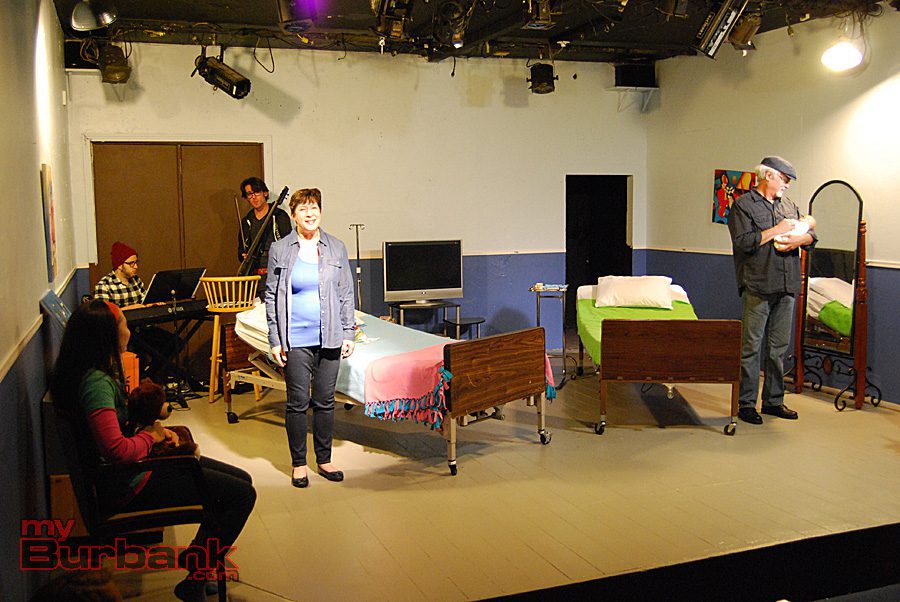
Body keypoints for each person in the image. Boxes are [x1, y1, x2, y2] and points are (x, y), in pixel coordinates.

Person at [50, 299, 257, 602]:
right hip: (130, 484)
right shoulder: (96, 385)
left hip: (130, 474)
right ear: (107, 335)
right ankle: (195, 578)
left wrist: (156, 435)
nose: (128, 330)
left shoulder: (88, 374)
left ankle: (197, 560)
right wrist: (151, 437)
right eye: (123, 324)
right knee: (242, 495)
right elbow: (117, 450)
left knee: (242, 480)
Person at [265, 188, 355, 488]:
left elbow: (345, 293)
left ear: (321, 211)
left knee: (326, 402)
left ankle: (324, 460)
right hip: (295, 339)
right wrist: (275, 339)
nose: (309, 213)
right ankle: (299, 464)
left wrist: (348, 331)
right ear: (293, 215)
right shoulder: (280, 249)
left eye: (314, 207)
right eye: (302, 209)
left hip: (329, 337)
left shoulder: (336, 247)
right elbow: (271, 295)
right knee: (298, 402)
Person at [728, 156, 816, 425]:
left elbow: (812, 237)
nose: (787, 185)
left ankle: (773, 401)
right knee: (751, 347)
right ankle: (746, 404)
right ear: (768, 176)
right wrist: (777, 229)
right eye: (784, 179)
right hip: (758, 284)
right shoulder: (743, 206)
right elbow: (744, 243)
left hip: (787, 285)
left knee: (778, 348)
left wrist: (800, 239)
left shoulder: (789, 205)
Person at [238, 177, 292, 298]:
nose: (254, 197)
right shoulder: (247, 221)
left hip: (275, 275)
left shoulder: (279, 216)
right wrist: (244, 255)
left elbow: (289, 245)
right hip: (253, 279)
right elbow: (240, 251)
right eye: (250, 194)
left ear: (265, 193)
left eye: (257, 192)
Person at [94, 241, 145, 307]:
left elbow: (144, 301)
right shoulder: (104, 286)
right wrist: (132, 308)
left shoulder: (136, 279)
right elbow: (103, 312)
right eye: (131, 263)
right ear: (119, 266)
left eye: (136, 262)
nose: (136, 266)